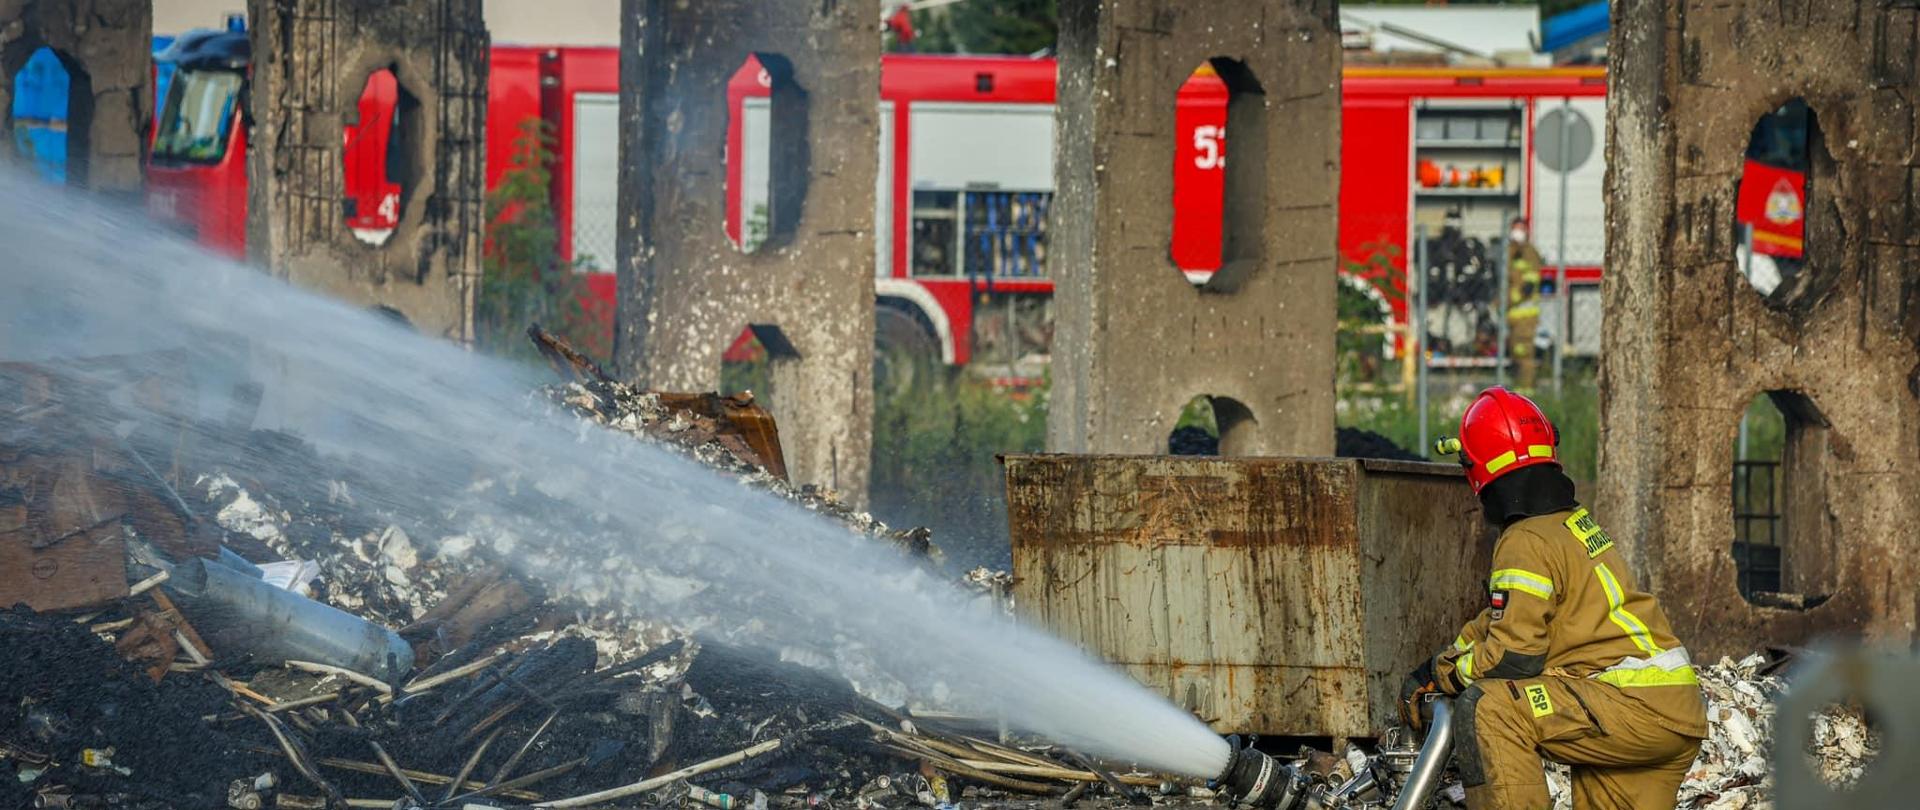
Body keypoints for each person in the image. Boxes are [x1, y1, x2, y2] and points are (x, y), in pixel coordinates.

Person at [1402, 388, 1706, 809]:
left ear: (1479, 469)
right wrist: (1442, 660)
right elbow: (1502, 618)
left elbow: (1514, 657)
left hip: (1630, 706)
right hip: (1673, 712)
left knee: (1492, 709)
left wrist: (1449, 675)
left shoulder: (1524, 539)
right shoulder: (1568, 526)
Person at [1504, 219, 1543, 390]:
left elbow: (1530, 283)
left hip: (1525, 314)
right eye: (1515, 229)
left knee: (1524, 353)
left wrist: (1514, 298)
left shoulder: (1530, 253)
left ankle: (1527, 391)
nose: (1517, 232)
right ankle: (1518, 388)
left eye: (1520, 229)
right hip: (1511, 314)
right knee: (1514, 353)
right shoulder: (1509, 252)